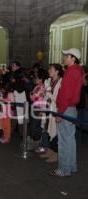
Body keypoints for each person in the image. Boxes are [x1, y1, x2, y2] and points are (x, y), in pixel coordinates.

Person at [49, 48, 84, 177]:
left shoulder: (71, 72)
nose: (64, 58)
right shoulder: (78, 71)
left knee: (63, 141)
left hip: (66, 108)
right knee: (70, 140)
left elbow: (66, 95)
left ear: (73, 58)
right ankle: (71, 166)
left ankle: (63, 169)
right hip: (72, 108)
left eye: (66, 56)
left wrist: (59, 113)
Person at [39, 64, 63, 163]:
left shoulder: (61, 81)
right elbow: (44, 95)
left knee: (55, 131)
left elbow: (57, 98)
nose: (49, 71)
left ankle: (56, 153)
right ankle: (50, 150)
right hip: (47, 107)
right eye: (49, 69)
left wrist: (47, 93)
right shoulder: (47, 81)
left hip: (55, 108)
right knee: (47, 129)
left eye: (51, 69)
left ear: (57, 71)